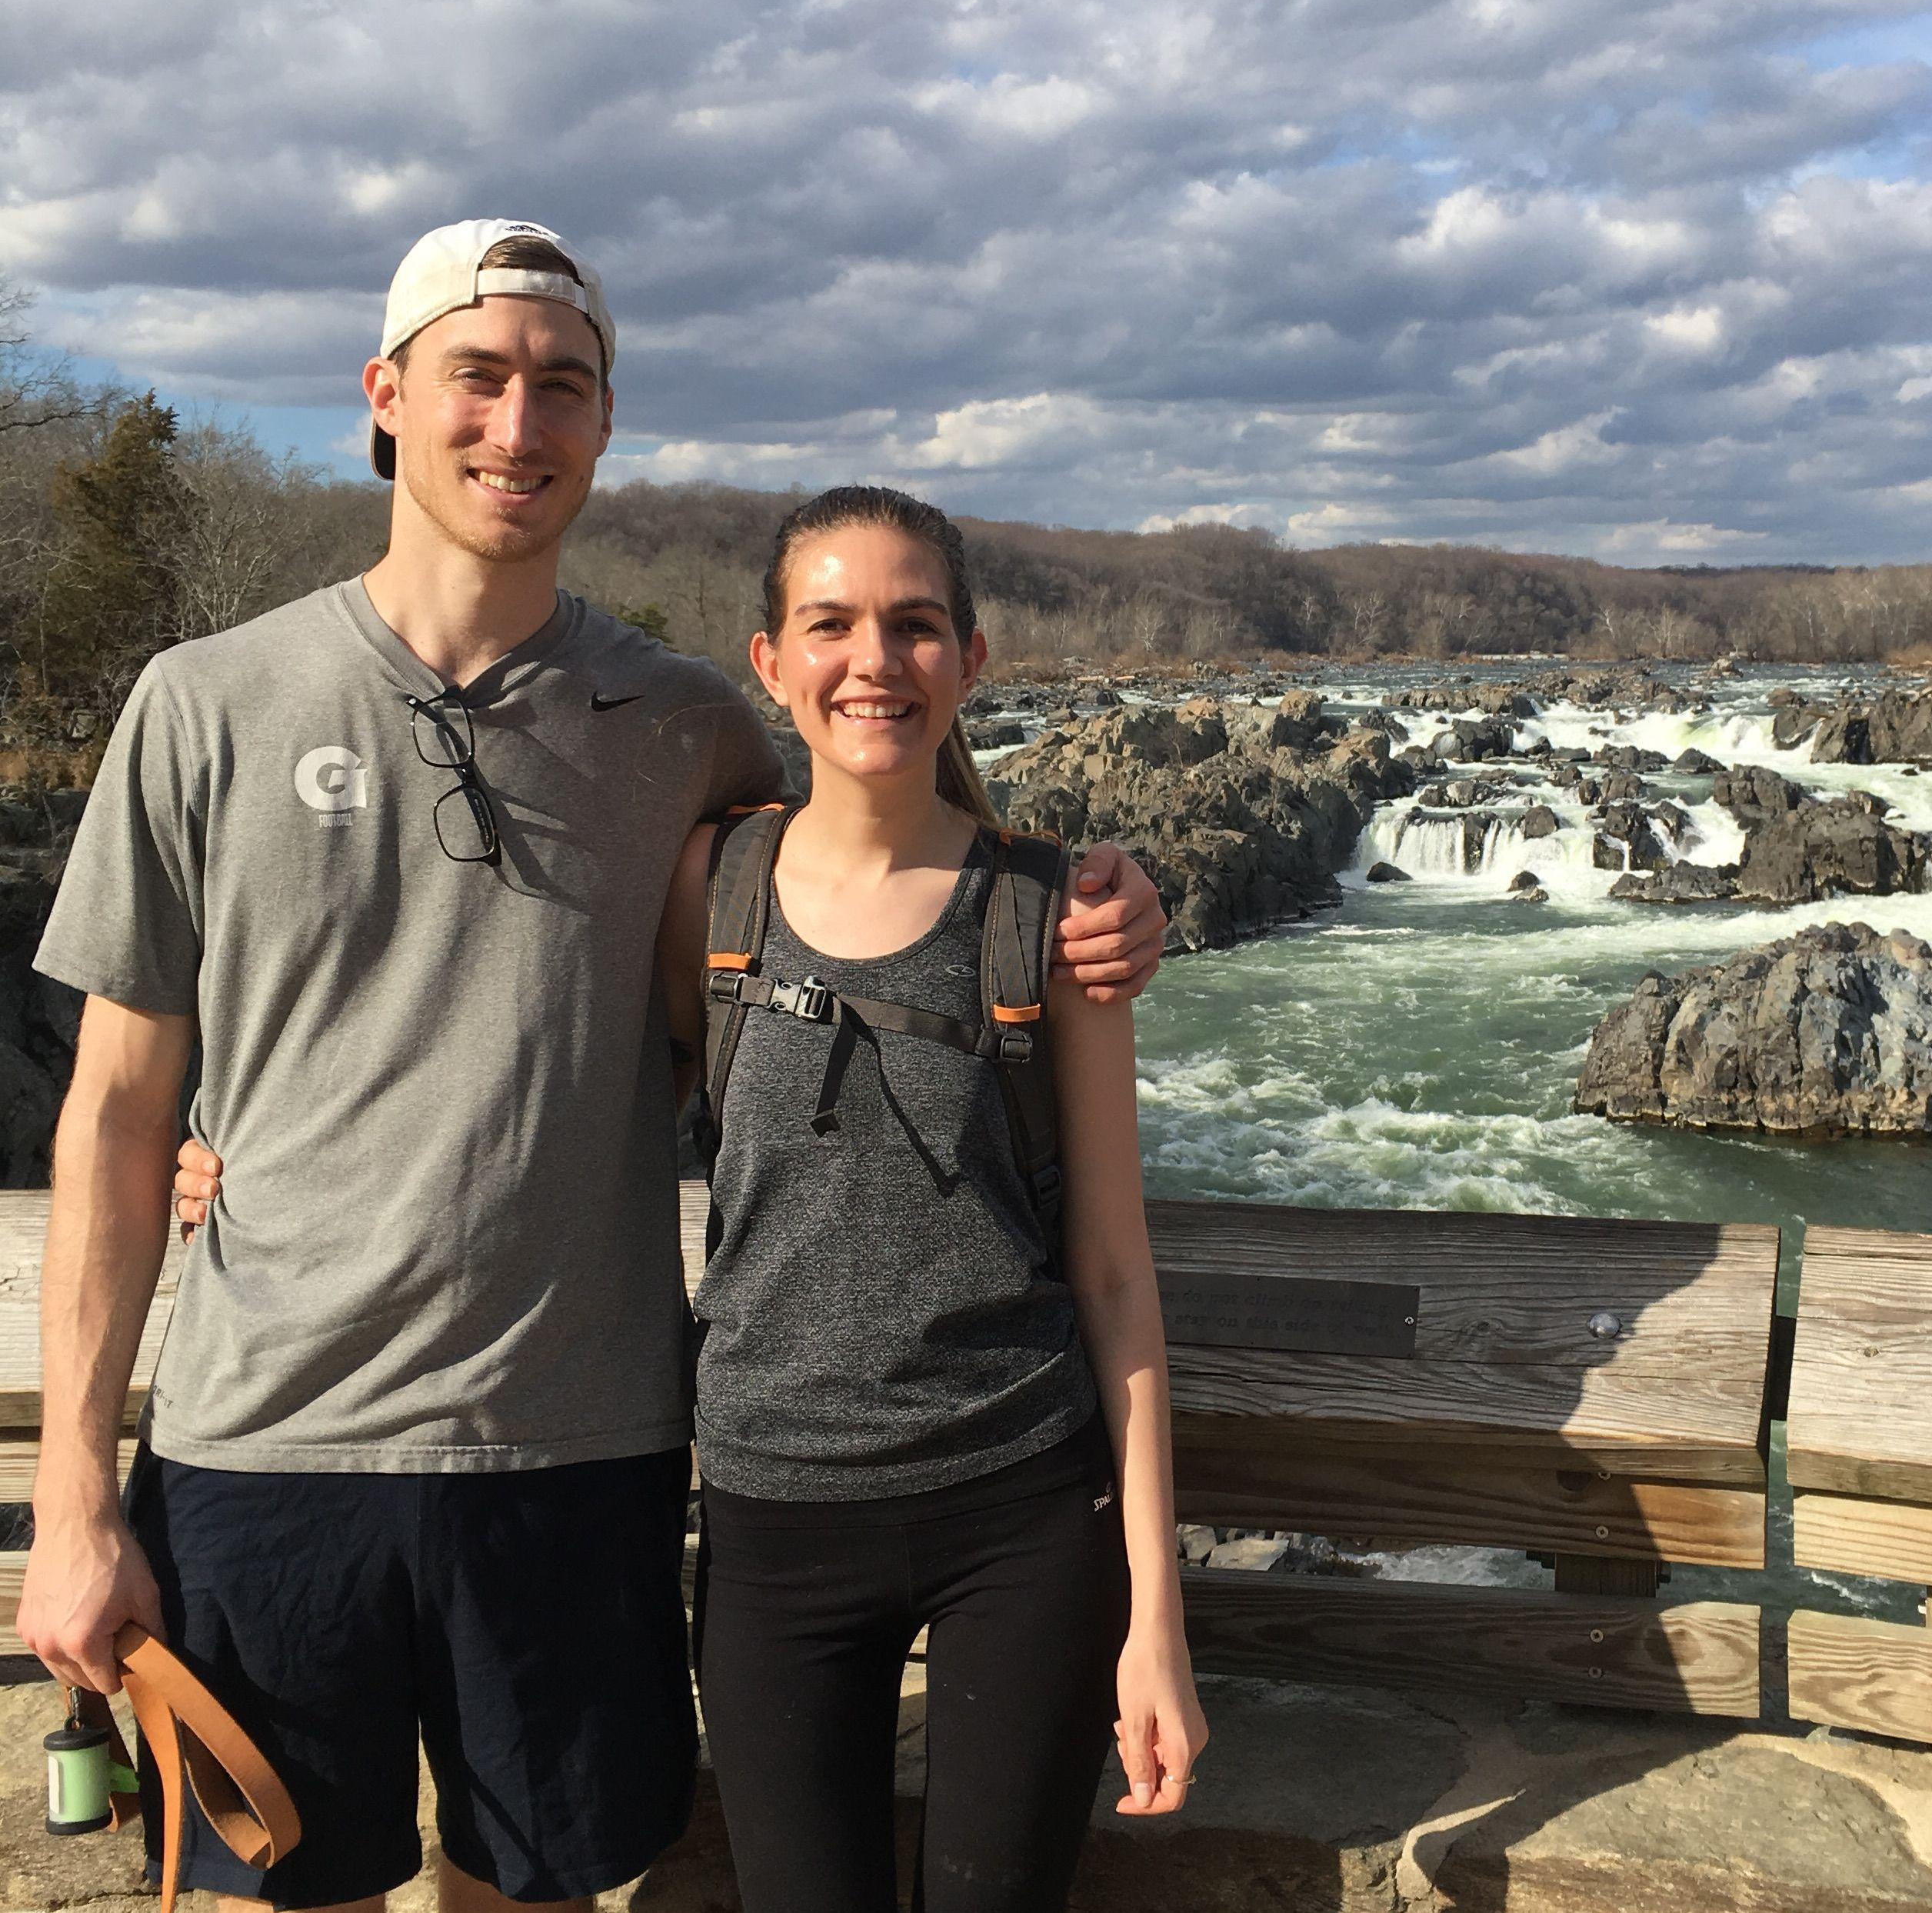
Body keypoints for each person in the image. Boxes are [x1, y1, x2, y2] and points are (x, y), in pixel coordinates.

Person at [20, 218, 1167, 1913]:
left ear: (605, 425)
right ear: (386, 394)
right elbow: (116, 1114)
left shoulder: (687, 719)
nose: (517, 422)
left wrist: (1102, 894)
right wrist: (73, 1490)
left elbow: (885, 853)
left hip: (575, 1457)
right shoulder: (206, 703)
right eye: (478, 375)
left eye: (562, 384)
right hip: (262, 1447)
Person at [658, 484, 1206, 1913]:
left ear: (972, 656)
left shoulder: (1051, 916)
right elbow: (537, 1086)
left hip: (1020, 1509)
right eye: (829, 624)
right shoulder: (708, 896)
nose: (874, 662)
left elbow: (1114, 1278)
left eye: (913, 627)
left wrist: (1158, 1618)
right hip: (773, 1516)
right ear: (770, 663)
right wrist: (219, 1138)